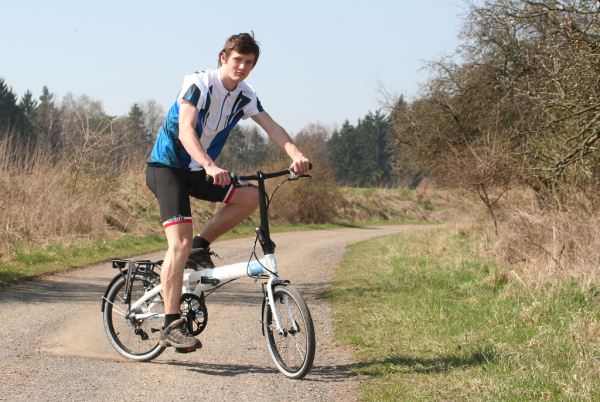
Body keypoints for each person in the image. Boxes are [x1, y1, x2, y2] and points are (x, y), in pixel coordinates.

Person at [145, 33, 310, 351]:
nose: (243, 67)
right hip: (168, 167)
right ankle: (170, 323)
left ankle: (200, 246)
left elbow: (272, 127)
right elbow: (185, 129)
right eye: (238, 60)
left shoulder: (246, 95)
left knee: (251, 196)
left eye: (249, 62)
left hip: (200, 171)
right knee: (178, 243)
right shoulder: (198, 83)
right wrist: (209, 166)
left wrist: (296, 155)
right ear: (223, 57)